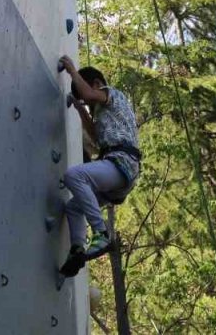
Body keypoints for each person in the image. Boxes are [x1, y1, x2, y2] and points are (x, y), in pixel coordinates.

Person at [57, 56, 141, 277]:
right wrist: (79, 109)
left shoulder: (109, 92)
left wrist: (72, 70)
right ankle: (77, 248)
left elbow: (88, 93)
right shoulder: (106, 114)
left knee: (74, 176)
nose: (89, 103)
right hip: (118, 173)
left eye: (88, 98)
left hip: (120, 162)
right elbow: (95, 137)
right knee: (73, 208)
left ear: (96, 83)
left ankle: (101, 233)